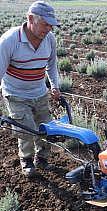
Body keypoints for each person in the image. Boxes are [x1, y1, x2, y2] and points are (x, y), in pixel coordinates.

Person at [0, 1, 61, 177]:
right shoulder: (9, 41)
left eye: (51, 25)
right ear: (30, 19)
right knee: (25, 128)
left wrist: (54, 86)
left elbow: (51, 65)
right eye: (45, 24)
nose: (49, 28)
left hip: (39, 92)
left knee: (45, 127)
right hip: (16, 93)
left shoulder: (49, 39)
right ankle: (26, 159)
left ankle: (42, 158)